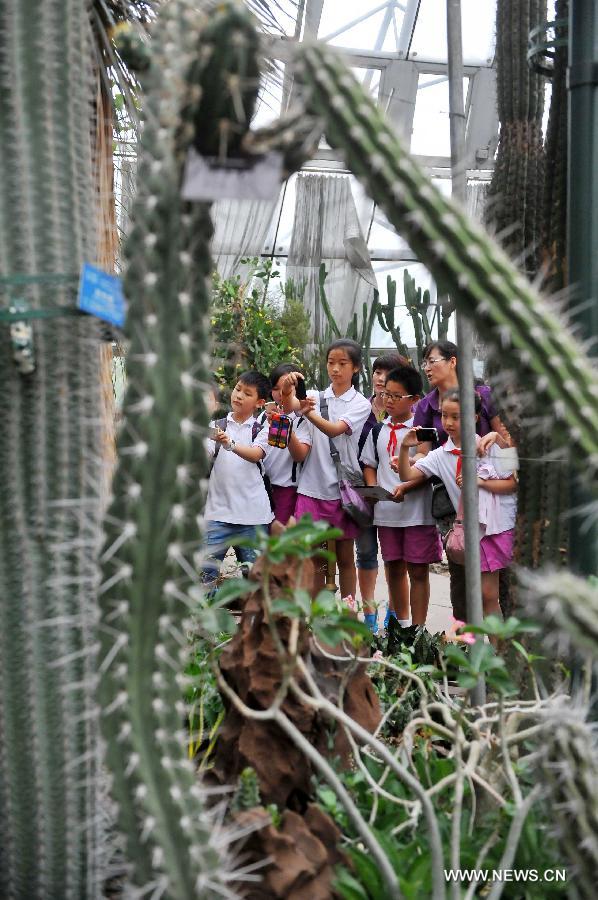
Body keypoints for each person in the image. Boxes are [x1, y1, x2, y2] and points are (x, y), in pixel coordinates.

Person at [395, 389, 517, 618]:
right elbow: (406, 475)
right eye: (444, 416)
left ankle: (497, 651)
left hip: (496, 529)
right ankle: (490, 650)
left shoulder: (489, 445)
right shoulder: (441, 454)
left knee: (489, 596)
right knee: (482, 597)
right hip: (472, 533)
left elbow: (513, 483)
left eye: (456, 416)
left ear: (474, 417)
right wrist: (404, 448)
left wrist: (480, 482)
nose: (448, 422)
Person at [413, 340, 511, 619]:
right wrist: (410, 461)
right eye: (425, 363)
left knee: (495, 586)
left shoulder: (483, 396)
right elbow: (423, 453)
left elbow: (506, 442)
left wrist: (497, 442)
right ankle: (466, 643)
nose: (427, 368)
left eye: (432, 361)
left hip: (491, 501)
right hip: (450, 499)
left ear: (453, 361)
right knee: (461, 573)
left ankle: (498, 646)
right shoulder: (425, 406)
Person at [281, 339, 372, 599]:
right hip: (311, 487)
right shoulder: (315, 397)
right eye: (331, 363)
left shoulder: (360, 403)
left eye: (342, 364)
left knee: (345, 556)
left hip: (342, 491)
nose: (335, 369)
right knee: (312, 556)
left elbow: (334, 429)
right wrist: (288, 390)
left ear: (356, 368)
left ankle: (348, 611)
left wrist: (307, 412)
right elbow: (290, 407)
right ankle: (316, 614)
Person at [360, 365, 441, 630]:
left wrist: (405, 488)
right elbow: (369, 464)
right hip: (387, 512)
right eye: (386, 395)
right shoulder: (377, 430)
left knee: (418, 570)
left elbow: (427, 465)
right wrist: (373, 490)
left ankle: (418, 630)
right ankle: (401, 625)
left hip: (417, 512)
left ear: (414, 400)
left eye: (397, 396)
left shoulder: (423, 431)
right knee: (393, 567)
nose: (389, 401)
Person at [201, 370, 273, 585]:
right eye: (238, 389)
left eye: (247, 393)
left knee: (257, 584)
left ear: (259, 402)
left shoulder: (264, 429)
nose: (239, 395)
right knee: (205, 579)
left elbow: (256, 455)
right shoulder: (215, 428)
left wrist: (230, 444)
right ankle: (205, 619)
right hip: (217, 515)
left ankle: (254, 619)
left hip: (254, 519)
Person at [356, 353, 412, 630]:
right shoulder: (359, 407)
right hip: (364, 494)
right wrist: (370, 489)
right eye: (377, 371)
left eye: (387, 373)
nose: (380, 377)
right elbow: (365, 459)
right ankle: (369, 616)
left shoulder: (415, 415)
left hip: (401, 500)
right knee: (365, 553)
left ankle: (395, 612)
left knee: (396, 559)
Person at [263, 362, 305, 526]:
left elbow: (300, 455)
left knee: (281, 541)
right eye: (275, 388)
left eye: (287, 387)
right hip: (263, 487)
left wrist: (283, 423)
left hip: (287, 489)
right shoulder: (262, 418)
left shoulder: (303, 419)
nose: (281, 393)